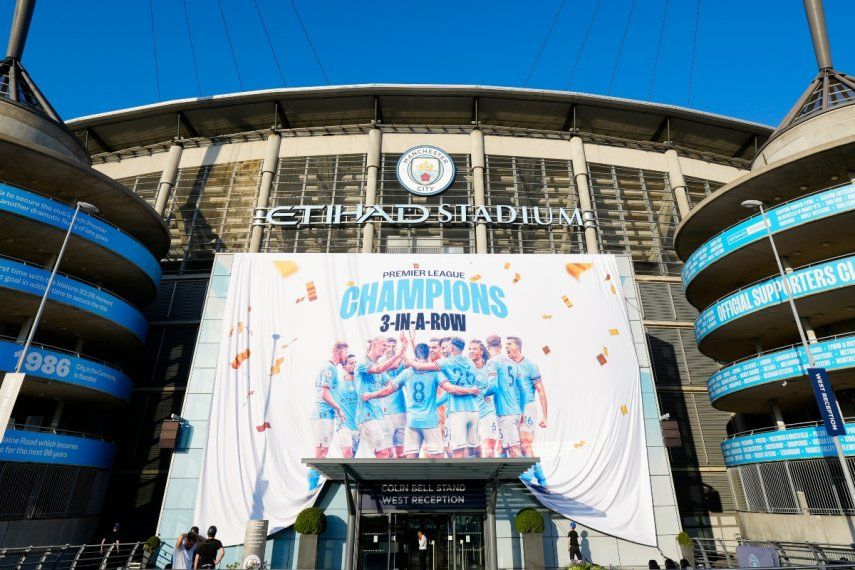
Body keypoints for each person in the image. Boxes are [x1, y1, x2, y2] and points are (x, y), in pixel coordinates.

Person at [363, 342, 478, 458]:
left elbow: (387, 391)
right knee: (438, 460)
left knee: (412, 462)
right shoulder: (435, 373)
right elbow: (451, 389)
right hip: (431, 423)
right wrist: (470, 390)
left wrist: (371, 395)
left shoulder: (406, 373)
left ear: (415, 356)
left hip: (413, 423)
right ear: (428, 355)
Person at [405, 336, 480, 458]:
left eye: (447, 346)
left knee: (456, 450)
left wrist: (403, 356)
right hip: (473, 410)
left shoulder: (446, 363)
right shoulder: (470, 362)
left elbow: (419, 366)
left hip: (456, 411)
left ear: (452, 348)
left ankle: (458, 471)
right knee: (470, 450)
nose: (445, 348)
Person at [354, 335, 407, 458]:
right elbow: (378, 369)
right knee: (382, 454)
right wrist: (398, 355)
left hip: (377, 416)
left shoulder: (379, 368)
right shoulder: (363, 363)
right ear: (374, 344)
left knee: (387, 454)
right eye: (384, 345)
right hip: (366, 417)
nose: (386, 348)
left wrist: (408, 376)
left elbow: (392, 386)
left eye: (387, 345)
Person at [507, 336, 548, 486]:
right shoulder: (507, 365)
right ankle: (542, 479)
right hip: (512, 409)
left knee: (525, 444)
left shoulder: (530, 365)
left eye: (509, 344)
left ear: (517, 347)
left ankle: (527, 481)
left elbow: (541, 390)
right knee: (516, 446)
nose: (506, 347)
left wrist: (545, 417)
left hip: (528, 408)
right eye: (505, 344)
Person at [308, 342, 348, 490]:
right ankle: (311, 490)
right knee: (320, 453)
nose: (346, 356)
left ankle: (312, 488)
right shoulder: (329, 368)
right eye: (346, 352)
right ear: (340, 352)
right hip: (323, 414)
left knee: (322, 452)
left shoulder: (331, 368)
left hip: (326, 415)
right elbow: (324, 394)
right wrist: (339, 409)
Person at [485, 335, 525, 458]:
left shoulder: (492, 362)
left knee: (514, 450)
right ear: (501, 346)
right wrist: (522, 411)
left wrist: (484, 394)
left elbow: (493, 386)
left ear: (487, 347)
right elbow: (522, 390)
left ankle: (524, 471)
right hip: (516, 412)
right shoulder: (513, 363)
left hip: (505, 414)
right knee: (501, 449)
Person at [379, 337, 408, 458]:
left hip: (401, 409)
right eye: (388, 346)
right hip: (386, 411)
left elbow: (418, 361)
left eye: (393, 346)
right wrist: (404, 347)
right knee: (388, 453)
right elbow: (394, 365)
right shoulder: (379, 365)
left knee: (401, 452)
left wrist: (409, 343)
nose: (391, 349)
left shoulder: (402, 362)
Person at [469, 339, 497, 457]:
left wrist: (486, 393)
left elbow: (496, 387)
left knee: (489, 450)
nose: (471, 351)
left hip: (487, 413)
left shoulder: (489, 369)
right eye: (469, 349)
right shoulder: (466, 370)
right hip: (471, 414)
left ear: (481, 351)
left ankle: (491, 470)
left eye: (474, 349)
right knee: (474, 452)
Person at [333, 354, 360, 458]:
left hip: (357, 427)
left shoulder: (361, 384)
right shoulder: (338, 385)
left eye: (355, 363)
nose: (354, 365)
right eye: (351, 363)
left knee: (352, 458)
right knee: (347, 455)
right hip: (343, 426)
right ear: (344, 367)